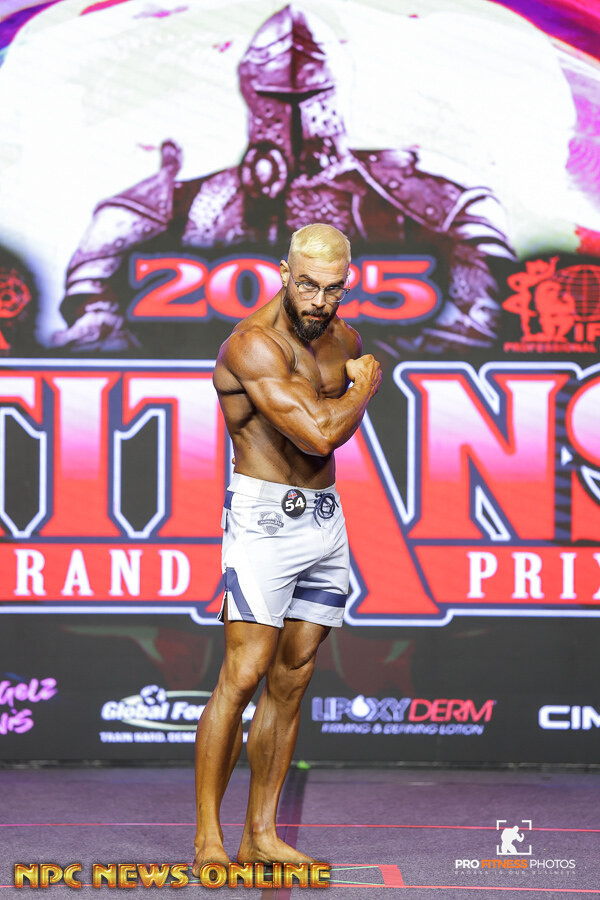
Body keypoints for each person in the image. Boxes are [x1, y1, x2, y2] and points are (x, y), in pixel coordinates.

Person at [192, 222, 381, 873]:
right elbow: (318, 435)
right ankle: (209, 838)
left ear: (347, 282)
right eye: (307, 285)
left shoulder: (345, 339)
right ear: (283, 272)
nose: (318, 300)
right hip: (263, 520)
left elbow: (328, 430)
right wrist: (363, 387)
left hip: (324, 519)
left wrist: (349, 390)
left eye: (332, 288)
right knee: (244, 673)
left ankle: (261, 835)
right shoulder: (252, 344)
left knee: (293, 677)